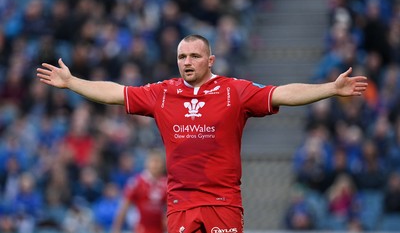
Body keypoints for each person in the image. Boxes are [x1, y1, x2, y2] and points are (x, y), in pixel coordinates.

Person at [36, 34, 368, 233]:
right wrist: (72, 82)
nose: (187, 61)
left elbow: (282, 93)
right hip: (181, 202)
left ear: (210, 59)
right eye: (182, 56)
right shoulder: (162, 93)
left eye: (194, 55)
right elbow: (115, 92)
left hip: (223, 201)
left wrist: (329, 89)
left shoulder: (234, 91)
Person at [111, 151, 167, 233]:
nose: (156, 165)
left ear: (163, 166)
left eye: (158, 162)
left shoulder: (166, 184)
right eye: (153, 161)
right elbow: (124, 207)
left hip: (160, 229)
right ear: (147, 163)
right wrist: (116, 229)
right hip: (141, 229)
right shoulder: (136, 182)